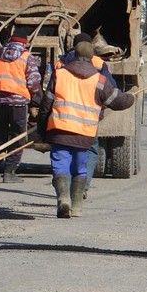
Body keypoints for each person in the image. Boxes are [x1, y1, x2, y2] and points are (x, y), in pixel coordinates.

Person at [44, 39, 134, 218]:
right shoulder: (99, 80)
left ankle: (63, 198)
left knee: (60, 165)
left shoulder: (59, 74)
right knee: (80, 167)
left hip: (60, 130)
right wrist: (130, 97)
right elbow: (117, 101)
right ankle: (76, 207)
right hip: (85, 133)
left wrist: (42, 128)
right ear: (92, 58)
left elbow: (46, 105)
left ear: (74, 55)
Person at [55, 36, 119, 195]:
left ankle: (66, 191)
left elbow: (50, 89)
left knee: (64, 153)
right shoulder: (97, 62)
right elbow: (111, 88)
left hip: (63, 117)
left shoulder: (61, 63)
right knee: (90, 150)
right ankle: (81, 187)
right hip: (89, 118)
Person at [0, 35, 42, 182]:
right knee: (18, 137)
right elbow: (34, 82)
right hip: (18, 103)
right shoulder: (26, 57)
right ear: (24, 43)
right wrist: (34, 98)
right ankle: (9, 172)